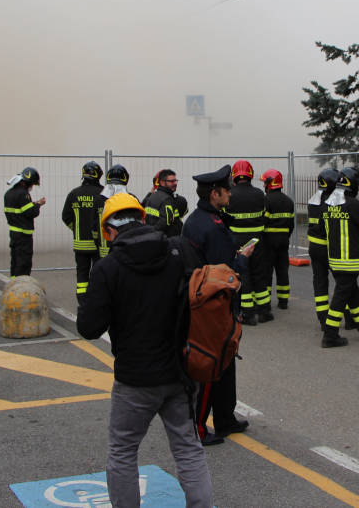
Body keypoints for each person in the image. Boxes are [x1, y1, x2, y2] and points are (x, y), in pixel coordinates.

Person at [76, 193, 213, 508]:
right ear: (141, 219)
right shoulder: (178, 253)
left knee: (123, 451)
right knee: (188, 448)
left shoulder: (108, 268)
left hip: (135, 380)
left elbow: (88, 328)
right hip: (180, 373)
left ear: (109, 230)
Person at [181, 165, 253, 446]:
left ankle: (225, 418)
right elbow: (225, 274)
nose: (231, 192)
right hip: (213, 306)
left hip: (205, 302)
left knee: (225, 361)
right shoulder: (211, 227)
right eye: (227, 189)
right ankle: (198, 428)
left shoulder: (200, 219)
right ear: (215, 193)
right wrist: (244, 259)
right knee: (211, 365)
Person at [321, 166, 359, 348]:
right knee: (340, 299)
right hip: (350, 261)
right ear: (352, 184)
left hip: (335, 260)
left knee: (352, 296)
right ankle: (330, 336)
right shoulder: (354, 205)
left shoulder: (330, 203)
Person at [226, 160, 271, 324]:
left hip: (238, 243)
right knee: (260, 274)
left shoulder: (230, 194)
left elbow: (224, 218)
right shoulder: (260, 194)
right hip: (257, 241)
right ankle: (265, 311)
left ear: (234, 175)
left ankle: (248, 314)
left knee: (243, 275)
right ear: (250, 174)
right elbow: (264, 216)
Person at [62, 161, 106, 301]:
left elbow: (66, 217)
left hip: (80, 243)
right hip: (99, 244)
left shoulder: (74, 194)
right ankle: (96, 299)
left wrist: (76, 229)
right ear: (98, 175)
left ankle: (82, 300)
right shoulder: (103, 193)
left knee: (82, 274)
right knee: (98, 273)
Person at [307, 169, 342, 327]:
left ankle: (322, 318)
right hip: (330, 248)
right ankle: (349, 317)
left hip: (314, 248)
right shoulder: (333, 203)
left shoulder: (313, 200)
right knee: (343, 283)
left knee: (320, 283)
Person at [261, 169, 295, 309]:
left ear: (270, 183)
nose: (264, 186)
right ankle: (283, 301)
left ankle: (266, 300)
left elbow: (263, 221)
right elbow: (291, 225)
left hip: (268, 241)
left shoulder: (266, 200)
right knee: (282, 271)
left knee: (267, 272)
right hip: (283, 241)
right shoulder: (289, 201)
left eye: (265, 183)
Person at [4, 167, 45, 278]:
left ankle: (13, 285)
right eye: (32, 184)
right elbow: (30, 212)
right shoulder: (23, 194)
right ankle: (22, 289)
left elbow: (21, 208)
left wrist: (34, 203)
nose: (32, 187)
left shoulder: (9, 193)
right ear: (26, 183)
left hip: (14, 233)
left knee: (15, 262)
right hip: (23, 236)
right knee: (24, 264)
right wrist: (38, 205)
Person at [144, 169, 185, 237]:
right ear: (162, 182)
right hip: (166, 241)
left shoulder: (152, 196)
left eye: (175, 181)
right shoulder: (167, 199)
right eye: (172, 181)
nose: (175, 183)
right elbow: (165, 222)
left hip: (152, 238)